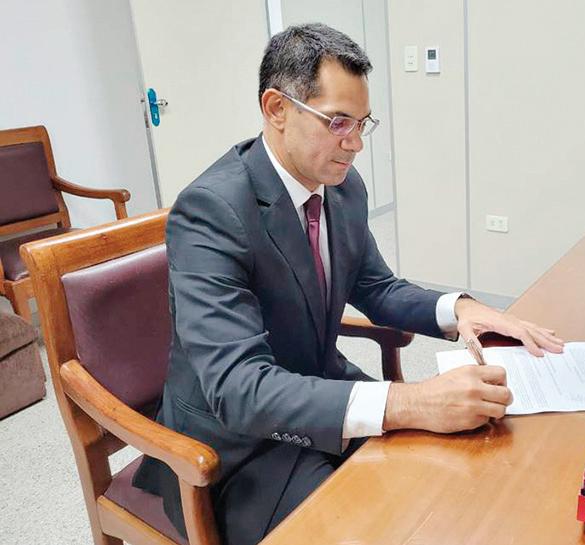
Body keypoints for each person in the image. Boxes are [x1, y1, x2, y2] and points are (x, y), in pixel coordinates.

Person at [133, 23, 563, 545]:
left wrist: (460, 310)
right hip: (235, 450)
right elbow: (239, 388)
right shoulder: (211, 211)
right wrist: (410, 402)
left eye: (362, 124)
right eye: (338, 122)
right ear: (277, 108)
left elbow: (376, 286)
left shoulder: (340, 186)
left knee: (446, 476)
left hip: (322, 391)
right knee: (371, 527)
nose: (355, 144)